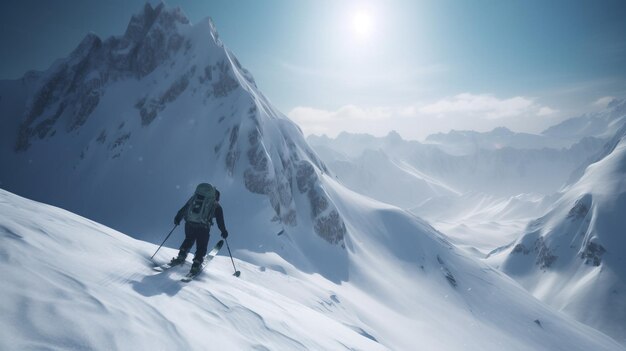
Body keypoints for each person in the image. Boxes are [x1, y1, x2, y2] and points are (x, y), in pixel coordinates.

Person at [170, 183, 228, 274]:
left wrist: (178, 218)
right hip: (203, 227)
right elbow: (220, 221)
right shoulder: (216, 204)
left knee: (188, 239)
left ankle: (181, 255)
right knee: (201, 245)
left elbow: (185, 208)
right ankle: (196, 264)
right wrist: (223, 231)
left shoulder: (196, 198)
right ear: (216, 197)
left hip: (189, 224)